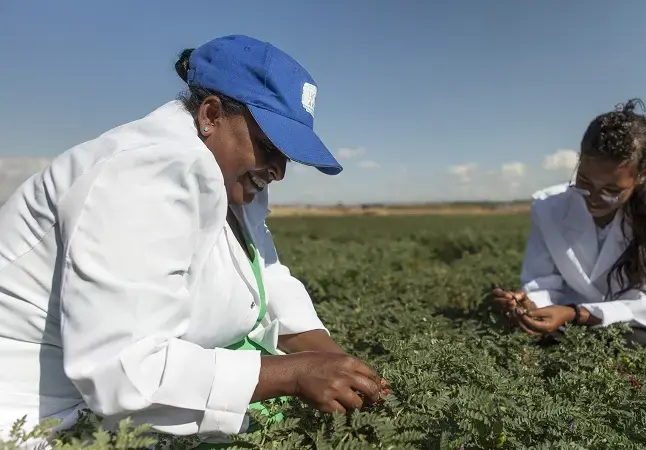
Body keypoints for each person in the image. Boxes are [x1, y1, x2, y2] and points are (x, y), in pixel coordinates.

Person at [0, 34, 387, 446]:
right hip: (37, 422)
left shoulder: (231, 182)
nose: (278, 170)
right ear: (211, 114)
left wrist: (336, 362)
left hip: (107, 418)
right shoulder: (144, 173)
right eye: (269, 147)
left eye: (286, 157)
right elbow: (123, 369)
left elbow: (266, 278)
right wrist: (292, 373)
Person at [493, 99, 646, 359]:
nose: (593, 197)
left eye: (612, 191)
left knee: (631, 355)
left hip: (635, 329)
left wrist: (577, 313)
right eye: (584, 181)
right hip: (563, 325)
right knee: (513, 347)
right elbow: (543, 282)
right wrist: (529, 305)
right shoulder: (548, 207)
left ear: (643, 174)